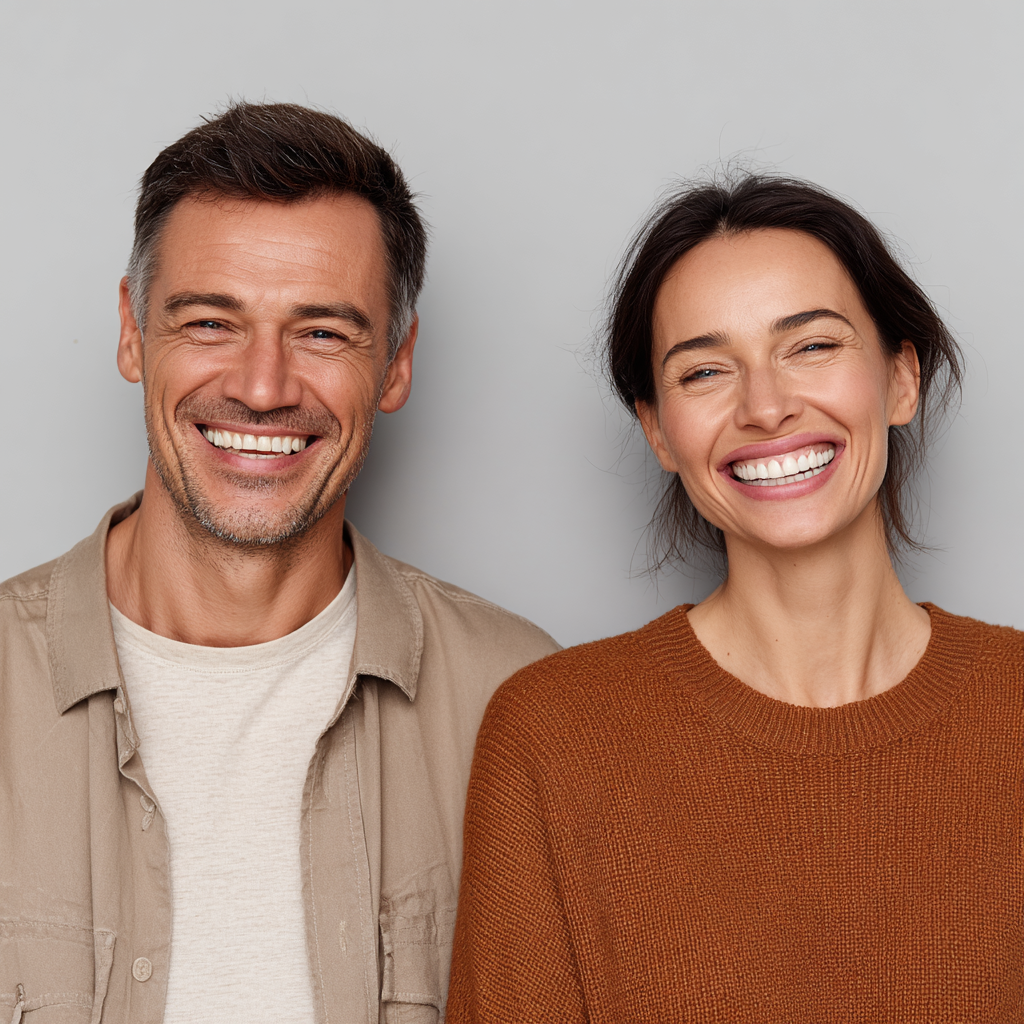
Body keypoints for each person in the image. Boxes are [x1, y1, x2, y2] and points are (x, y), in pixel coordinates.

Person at [0, 102, 557, 1023]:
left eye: (323, 333)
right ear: (134, 333)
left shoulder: (518, 702)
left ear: (397, 363)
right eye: (211, 323)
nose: (262, 387)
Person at [447, 175, 1024, 1023]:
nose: (765, 406)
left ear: (900, 379)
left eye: (813, 347)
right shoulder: (554, 737)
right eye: (706, 370)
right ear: (657, 431)